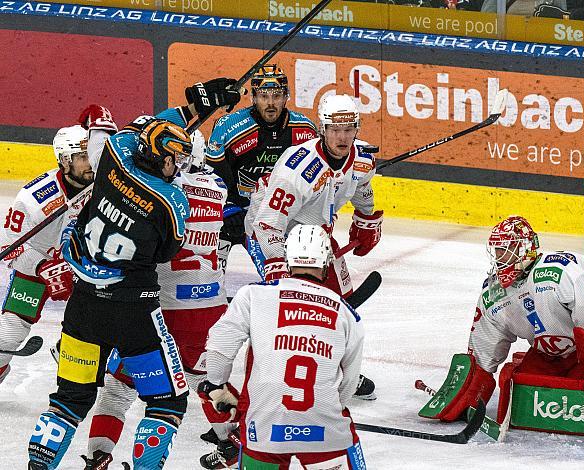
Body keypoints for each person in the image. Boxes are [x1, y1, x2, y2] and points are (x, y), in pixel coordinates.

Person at [26, 78, 241, 470]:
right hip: (138, 314)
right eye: (171, 159)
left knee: (70, 400)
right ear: (164, 159)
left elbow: (133, 130)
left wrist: (194, 105)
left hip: (83, 308)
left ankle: (41, 465)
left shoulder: (113, 156)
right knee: (168, 399)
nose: (175, 165)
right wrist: (198, 110)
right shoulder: (175, 197)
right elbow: (166, 250)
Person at [80, 131, 233, 469]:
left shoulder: (161, 191)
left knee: (118, 388)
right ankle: (230, 442)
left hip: (159, 308)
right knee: (204, 381)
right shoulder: (218, 188)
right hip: (209, 306)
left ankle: (96, 458)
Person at [422, 216, 584, 422]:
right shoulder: (493, 294)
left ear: (526, 249)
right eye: (498, 252)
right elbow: (483, 353)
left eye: (507, 251)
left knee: (579, 391)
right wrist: (470, 392)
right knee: (522, 391)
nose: (501, 259)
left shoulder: (556, 269)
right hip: (554, 352)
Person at [200, 224, 367, 469]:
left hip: (265, 425)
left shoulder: (253, 295)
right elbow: (349, 383)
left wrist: (217, 386)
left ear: (287, 258)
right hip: (325, 427)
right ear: (326, 263)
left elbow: (220, 346)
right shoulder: (346, 312)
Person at [0, 105, 117, 385]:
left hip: (86, 265)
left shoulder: (105, 182)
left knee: (108, 317)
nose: (89, 162)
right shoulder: (34, 198)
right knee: (9, 333)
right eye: (81, 157)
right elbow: (10, 248)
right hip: (38, 266)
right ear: (64, 161)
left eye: (90, 154)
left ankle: (69, 351)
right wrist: (42, 268)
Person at [244, 94, 383, 299]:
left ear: (357, 129)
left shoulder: (363, 158)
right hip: (270, 234)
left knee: (340, 299)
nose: (342, 137)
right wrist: (278, 265)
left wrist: (366, 220)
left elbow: (361, 186)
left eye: (348, 130)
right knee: (294, 300)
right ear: (323, 129)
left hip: (315, 233)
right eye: (335, 130)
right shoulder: (297, 169)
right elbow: (267, 225)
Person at [206, 64, 317, 271]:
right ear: (254, 98)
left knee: (279, 273)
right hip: (232, 209)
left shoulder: (305, 131)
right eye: (264, 96)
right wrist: (228, 208)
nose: (271, 103)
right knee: (207, 275)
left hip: (273, 212)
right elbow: (211, 174)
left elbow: (314, 179)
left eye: (277, 96)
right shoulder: (229, 127)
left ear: (286, 97)